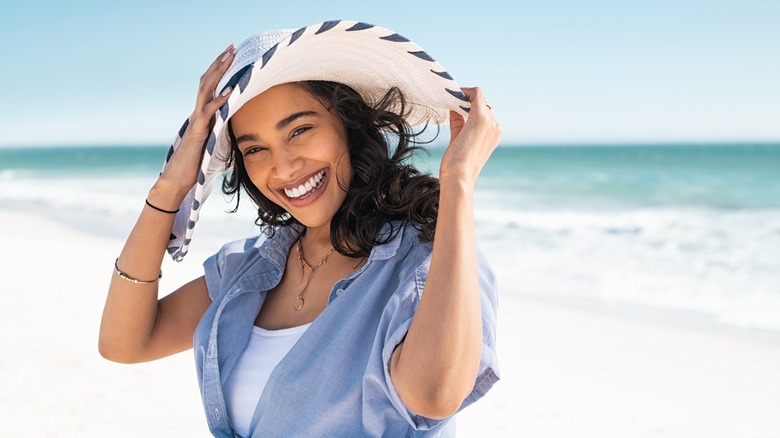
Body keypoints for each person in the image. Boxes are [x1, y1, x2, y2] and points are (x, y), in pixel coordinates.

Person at [99, 20, 500, 437]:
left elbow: (433, 395)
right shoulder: (247, 270)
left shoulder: (430, 264)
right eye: (255, 149)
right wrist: (170, 187)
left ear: (348, 123)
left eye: (300, 130)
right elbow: (123, 343)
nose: (284, 167)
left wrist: (458, 181)